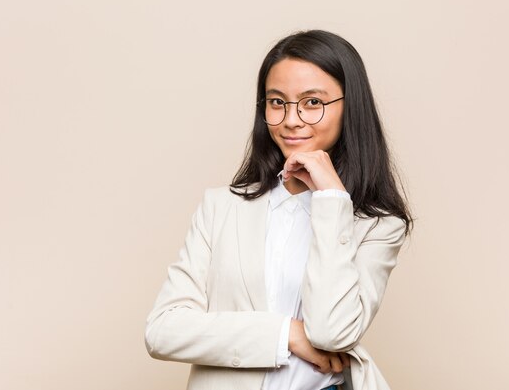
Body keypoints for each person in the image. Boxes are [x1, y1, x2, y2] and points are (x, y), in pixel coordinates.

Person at [144, 29, 413, 390]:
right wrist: (285, 334)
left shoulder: (378, 224)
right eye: (276, 102)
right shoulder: (221, 207)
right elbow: (163, 330)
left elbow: (333, 333)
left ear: (350, 106)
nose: (291, 119)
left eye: (313, 102)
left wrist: (332, 199)